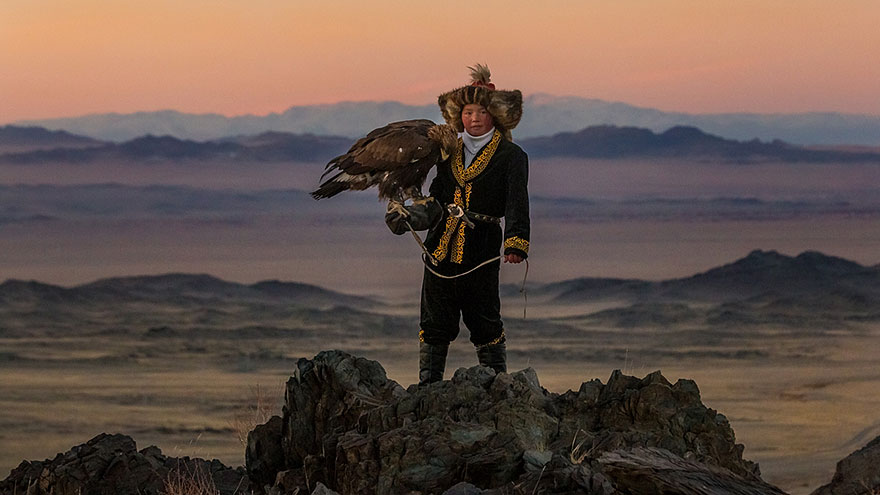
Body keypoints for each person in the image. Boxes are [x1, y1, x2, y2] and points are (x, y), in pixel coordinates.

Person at [386, 64, 530, 385]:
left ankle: (498, 389)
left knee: (485, 322)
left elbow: (516, 202)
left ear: (495, 115)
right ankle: (428, 389)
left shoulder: (511, 155)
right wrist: (410, 217)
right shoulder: (447, 152)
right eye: (468, 112)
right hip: (439, 249)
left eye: (481, 111)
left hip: (482, 250)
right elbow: (436, 199)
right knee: (434, 322)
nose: (474, 118)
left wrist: (516, 243)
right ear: (458, 116)